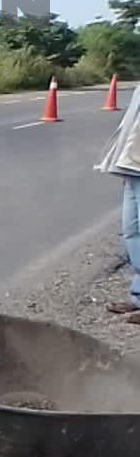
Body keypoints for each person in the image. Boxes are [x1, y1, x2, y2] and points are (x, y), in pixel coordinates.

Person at [95, 83, 140, 324]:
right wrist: (121, 164)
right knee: (132, 232)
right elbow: (131, 127)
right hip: (133, 167)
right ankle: (138, 296)